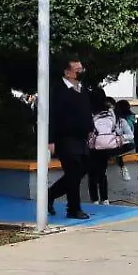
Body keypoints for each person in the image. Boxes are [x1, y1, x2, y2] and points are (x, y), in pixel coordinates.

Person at [47, 56, 93, 220]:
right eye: (77, 70)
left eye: (82, 69)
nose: (81, 72)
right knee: (73, 171)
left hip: (81, 138)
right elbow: (51, 115)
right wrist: (50, 140)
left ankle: (50, 194)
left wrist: (90, 129)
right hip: (64, 138)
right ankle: (73, 208)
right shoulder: (58, 90)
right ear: (67, 72)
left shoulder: (82, 88)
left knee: (83, 169)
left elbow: (86, 110)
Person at [86, 88, 132, 206]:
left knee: (92, 174)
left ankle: (94, 200)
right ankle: (105, 199)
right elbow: (114, 129)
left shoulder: (89, 111)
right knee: (102, 173)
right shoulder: (110, 111)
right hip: (107, 145)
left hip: (93, 146)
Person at [112, 99, 138, 181]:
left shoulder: (124, 121)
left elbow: (130, 136)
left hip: (125, 144)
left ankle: (123, 167)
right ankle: (123, 167)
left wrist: (120, 138)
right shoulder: (107, 121)